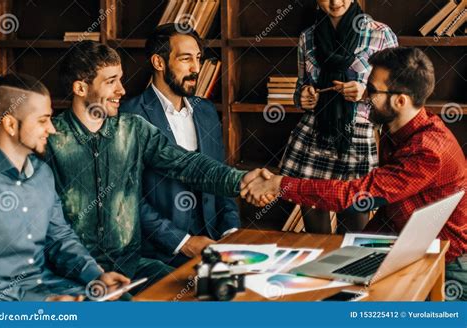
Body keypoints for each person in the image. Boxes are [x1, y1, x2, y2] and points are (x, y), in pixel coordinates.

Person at [242, 47, 467, 300]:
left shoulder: (426, 150)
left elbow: (356, 195)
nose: (364, 97)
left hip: (449, 266)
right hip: (412, 248)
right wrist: (354, 252)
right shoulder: (401, 131)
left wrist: (279, 184)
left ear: (400, 101)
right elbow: (390, 208)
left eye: (372, 90)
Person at [45, 41, 270, 288]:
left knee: (208, 294)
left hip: (134, 266)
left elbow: (186, 164)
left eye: (121, 79)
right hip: (76, 275)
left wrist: (240, 180)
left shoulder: (134, 129)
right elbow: (50, 229)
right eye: (111, 82)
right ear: (80, 87)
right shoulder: (49, 140)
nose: (122, 90)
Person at [0, 74, 129, 301]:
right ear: (9, 123)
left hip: (53, 288)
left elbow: (59, 238)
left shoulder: (42, 173)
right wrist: (40, 304)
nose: (52, 129)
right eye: (42, 120)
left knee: (127, 305)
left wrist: (95, 276)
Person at [120, 24, 240, 267]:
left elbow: (221, 177)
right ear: (159, 62)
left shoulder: (206, 110)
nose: (196, 68)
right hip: (160, 254)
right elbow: (128, 199)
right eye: (186, 59)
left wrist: (231, 232)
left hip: (215, 245)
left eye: (198, 58)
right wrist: (183, 242)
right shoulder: (127, 115)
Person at [280, 0, 398, 233]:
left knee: (354, 230)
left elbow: (396, 95)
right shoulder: (308, 37)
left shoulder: (381, 34)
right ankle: (317, 269)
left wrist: (366, 93)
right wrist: (303, 97)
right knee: (316, 232)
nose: (335, 2)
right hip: (315, 135)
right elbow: (301, 86)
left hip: (357, 138)